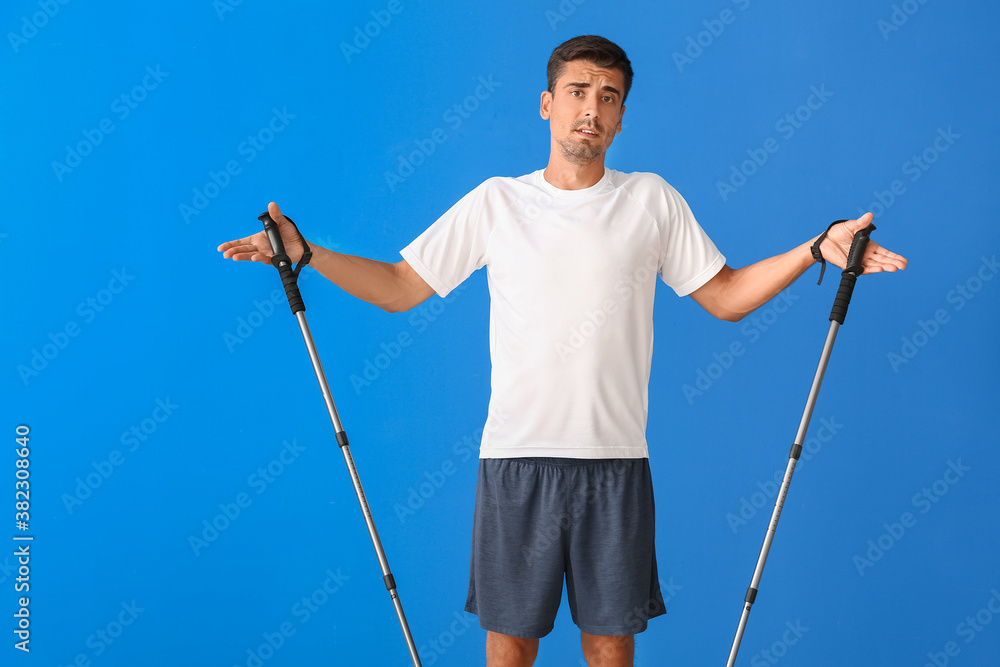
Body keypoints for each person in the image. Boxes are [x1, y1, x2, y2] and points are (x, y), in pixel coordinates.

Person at [219, 35, 906, 667]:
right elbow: (401, 287)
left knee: (610, 647)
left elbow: (725, 296)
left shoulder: (652, 201)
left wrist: (816, 247)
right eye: (579, 91)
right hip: (517, 458)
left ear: (621, 117)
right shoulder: (498, 202)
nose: (592, 108)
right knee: (510, 646)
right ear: (548, 104)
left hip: (615, 462)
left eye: (608, 97)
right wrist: (308, 253)